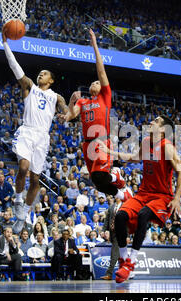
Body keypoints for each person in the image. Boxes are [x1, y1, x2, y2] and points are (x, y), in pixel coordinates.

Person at [100, 115, 181, 283]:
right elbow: (134, 157)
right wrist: (111, 152)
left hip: (162, 196)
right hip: (143, 193)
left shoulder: (167, 147)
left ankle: (131, 262)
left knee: (144, 215)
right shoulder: (147, 141)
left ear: (162, 130)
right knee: (120, 216)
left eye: (156, 121)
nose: (151, 122)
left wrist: (177, 198)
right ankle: (124, 261)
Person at [1, 26, 69, 235]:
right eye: (40, 72)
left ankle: (24, 214)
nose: (41, 74)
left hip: (43, 137)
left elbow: (66, 110)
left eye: (45, 73)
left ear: (51, 80)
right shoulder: (29, 86)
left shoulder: (56, 96)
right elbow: (16, 68)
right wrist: (5, 43)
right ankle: (18, 200)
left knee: (35, 180)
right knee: (23, 166)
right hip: (27, 131)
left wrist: (66, 114)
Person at [63, 28, 132, 203]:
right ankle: (122, 195)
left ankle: (115, 176)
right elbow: (69, 116)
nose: (95, 82)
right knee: (97, 183)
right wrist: (71, 100)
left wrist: (94, 44)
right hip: (87, 145)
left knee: (101, 176)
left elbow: (101, 71)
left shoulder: (105, 96)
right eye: (93, 82)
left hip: (102, 140)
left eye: (97, 82)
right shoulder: (83, 102)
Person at [100, 201, 121, 280]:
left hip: (120, 233)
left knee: (114, 253)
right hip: (112, 233)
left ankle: (109, 274)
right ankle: (126, 272)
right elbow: (107, 220)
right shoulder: (111, 206)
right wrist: (103, 230)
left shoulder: (125, 205)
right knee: (118, 255)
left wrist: (128, 235)